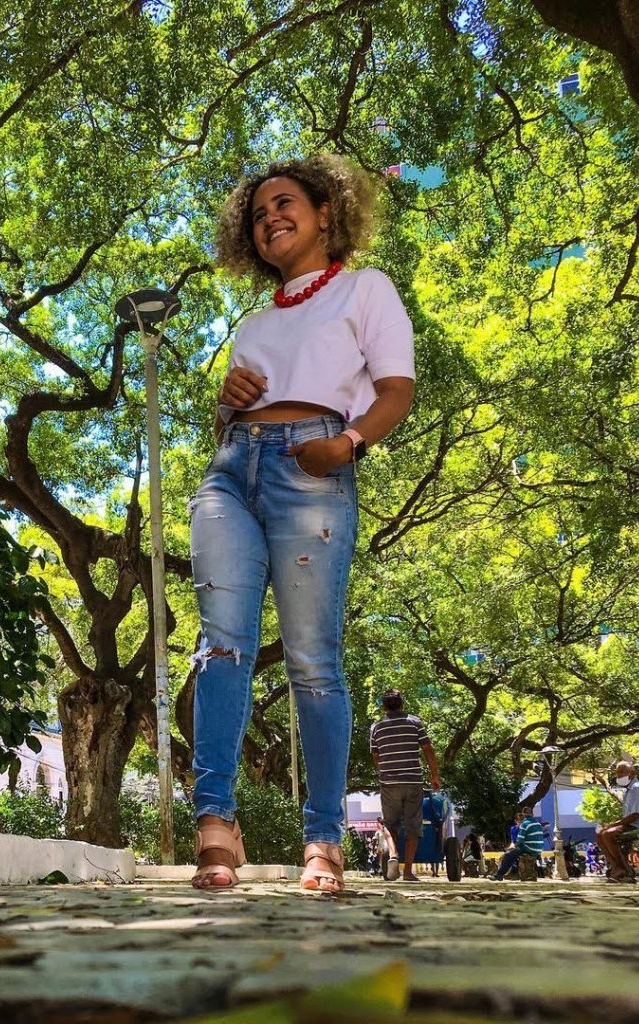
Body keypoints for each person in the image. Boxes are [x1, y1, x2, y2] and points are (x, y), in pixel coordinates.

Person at [188, 152, 415, 892]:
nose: (270, 219)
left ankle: (323, 840)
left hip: (312, 467)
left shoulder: (364, 289)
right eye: (258, 214)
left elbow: (396, 389)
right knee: (220, 646)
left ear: (325, 212)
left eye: (284, 204)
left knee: (313, 660)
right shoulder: (253, 322)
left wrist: (347, 444)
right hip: (232, 470)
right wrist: (228, 397)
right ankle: (215, 824)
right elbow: (234, 414)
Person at [369, 690, 441, 882]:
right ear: (402, 704)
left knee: (389, 823)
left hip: (389, 782)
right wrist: (435, 775)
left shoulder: (376, 727)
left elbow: (376, 756)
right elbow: (428, 749)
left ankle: (393, 855)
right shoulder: (415, 722)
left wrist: (384, 771)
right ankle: (408, 871)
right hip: (412, 781)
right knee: (413, 825)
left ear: (384, 706)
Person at [596, 760, 639, 881]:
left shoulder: (636, 788)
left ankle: (623, 869)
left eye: (622, 772)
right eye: (617, 773)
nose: (618, 776)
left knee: (607, 833)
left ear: (632, 773)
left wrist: (611, 825)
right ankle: (616, 867)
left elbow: (634, 816)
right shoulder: (628, 790)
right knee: (599, 833)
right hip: (633, 824)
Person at [492, 806, 544, 880]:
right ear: (532, 814)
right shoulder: (538, 823)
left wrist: (512, 848)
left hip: (529, 848)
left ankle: (499, 875)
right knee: (513, 853)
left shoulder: (524, 824)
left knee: (508, 855)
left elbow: (519, 841)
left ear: (523, 814)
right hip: (539, 849)